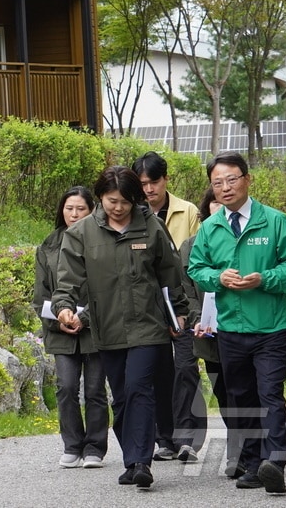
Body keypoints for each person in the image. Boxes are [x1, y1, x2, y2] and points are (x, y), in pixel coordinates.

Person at [54, 166, 188, 490]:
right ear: (101, 197)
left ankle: (141, 462)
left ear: (135, 200)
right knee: (123, 398)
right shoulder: (81, 234)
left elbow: (171, 275)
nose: (118, 207)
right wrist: (64, 309)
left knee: (140, 388)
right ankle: (132, 460)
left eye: (125, 202)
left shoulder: (152, 228)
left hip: (149, 325)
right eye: (112, 200)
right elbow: (67, 281)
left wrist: (180, 313)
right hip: (108, 327)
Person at [186, 150, 286, 495]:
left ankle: (275, 462)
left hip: (270, 327)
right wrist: (218, 278)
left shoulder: (274, 220)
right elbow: (196, 269)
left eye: (231, 179)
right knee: (241, 398)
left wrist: (264, 279)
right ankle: (253, 465)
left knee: (270, 394)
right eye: (217, 182)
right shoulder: (209, 227)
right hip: (231, 329)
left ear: (247, 180)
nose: (225, 187)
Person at [132, 150, 201, 462]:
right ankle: (164, 438)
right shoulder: (130, 215)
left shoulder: (187, 212)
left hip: (183, 302)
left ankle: (187, 437)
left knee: (186, 367)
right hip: (148, 307)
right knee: (158, 373)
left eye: (154, 181)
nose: (149, 189)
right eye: (143, 183)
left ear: (165, 180)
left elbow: (199, 259)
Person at [33, 185, 109, 469]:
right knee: (65, 387)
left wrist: (85, 317)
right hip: (60, 329)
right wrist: (57, 322)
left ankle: (94, 448)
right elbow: (40, 294)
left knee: (94, 390)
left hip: (96, 328)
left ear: (92, 211)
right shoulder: (48, 246)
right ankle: (72, 445)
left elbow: (108, 288)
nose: (74, 214)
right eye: (69, 208)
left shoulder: (101, 242)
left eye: (81, 209)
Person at [178, 186, 243, 477]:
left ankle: (244, 450)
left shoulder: (246, 241)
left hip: (243, 330)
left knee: (242, 388)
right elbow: (185, 288)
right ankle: (238, 447)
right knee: (223, 390)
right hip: (208, 333)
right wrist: (196, 318)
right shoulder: (191, 246)